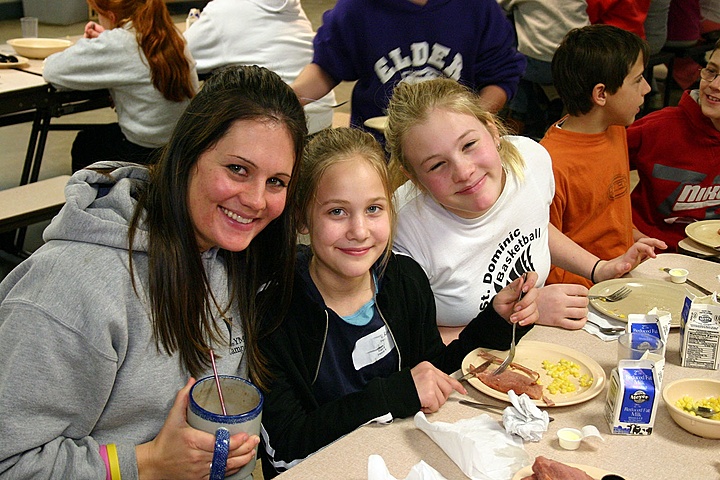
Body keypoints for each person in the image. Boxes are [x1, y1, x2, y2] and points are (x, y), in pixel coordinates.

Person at [0, 65, 307, 479]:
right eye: (237, 169)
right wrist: (148, 462)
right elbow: (11, 462)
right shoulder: (68, 289)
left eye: (276, 181)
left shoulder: (235, 254)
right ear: (187, 153)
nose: (255, 200)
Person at [258, 127, 540, 478]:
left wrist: (495, 323)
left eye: (374, 209)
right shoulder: (272, 313)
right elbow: (285, 448)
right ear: (302, 217)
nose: (359, 230)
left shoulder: (403, 278)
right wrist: (391, 396)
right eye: (337, 212)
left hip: (402, 462)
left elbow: (431, 370)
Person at [385, 78, 662, 344]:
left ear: (493, 132)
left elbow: (535, 226)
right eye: (436, 165)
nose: (464, 172)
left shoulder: (531, 161)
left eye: (469, 145)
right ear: (413, 177)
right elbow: (412, 346)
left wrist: (598, 268)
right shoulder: (401, 232)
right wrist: (522, 315)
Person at [540, 25, 667, 288]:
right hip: (586, 291)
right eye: (637, 80)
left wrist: (633, 238)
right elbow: (544, 250)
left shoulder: (615, 127)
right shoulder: (551, 163)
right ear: (601, 94)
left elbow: (602, 220)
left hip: (623, 274)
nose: (646, 89)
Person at [290, 0, 526, 137]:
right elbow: (327, 68)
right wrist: (288, 97)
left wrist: (471, 121)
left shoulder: (476, 7)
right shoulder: (356, 8)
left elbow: (501, 76)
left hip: (454, 143)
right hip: (379, 145)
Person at [43, 0, 198, 172]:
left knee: (85, 143)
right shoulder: (171, 35)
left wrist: (97, 45)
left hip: (143, 151)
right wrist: (108, 39)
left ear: (111, 16)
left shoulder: (120, 42)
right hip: (178, 146)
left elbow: (53, 70)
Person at [183, 0, 337, 135]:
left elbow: (178, 56)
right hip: (321, 121)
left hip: (275, 126)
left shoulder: (222, 11)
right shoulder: (291, 5)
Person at [627, 39, 720, 250]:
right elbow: (595, 173)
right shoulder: (659, 127)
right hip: (651, 252)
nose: (715, 84)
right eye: (712, 71)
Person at [497, 0, 589, 139]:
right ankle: (553, 100)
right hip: (579, 60)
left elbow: (493, 6)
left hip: (541, 65)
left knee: (503, 34)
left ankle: (518, 115)